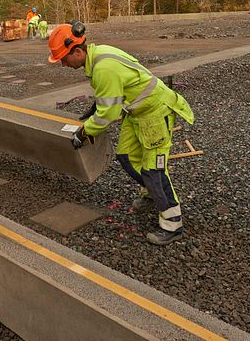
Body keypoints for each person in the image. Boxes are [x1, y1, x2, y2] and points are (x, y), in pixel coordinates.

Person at [47, 21, 195, 245]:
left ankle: (172, 225)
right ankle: (151, 195)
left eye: (63, 59)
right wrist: (94, 108)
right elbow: (111, 94)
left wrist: (84, 132)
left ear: (77, 51)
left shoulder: (102, 67)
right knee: (126, 157)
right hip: (137, 113)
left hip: (155, 113)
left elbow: (108, 114)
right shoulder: (97, 57)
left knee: (154, 171)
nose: (63, 65)